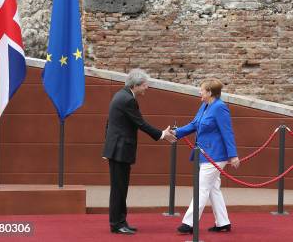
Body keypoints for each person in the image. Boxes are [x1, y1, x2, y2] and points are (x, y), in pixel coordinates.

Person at [102, 68, 176, 235]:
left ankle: (120, 222)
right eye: (144, 85)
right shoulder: (128, 100)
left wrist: (108, 148)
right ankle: (117, 224)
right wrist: (162, 134)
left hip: (116, 149)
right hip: (120, 151)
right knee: (119, 189)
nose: (147, 88)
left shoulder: (120, 95)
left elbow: (110, 123)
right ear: (135, 85)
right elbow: (140, 123)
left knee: (119, 188)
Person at [172, 78, 239, 234]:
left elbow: (227, 132)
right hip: (205, 154)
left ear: (210, 92)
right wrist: (176, 133)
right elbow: (194, 124)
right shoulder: (205, 105)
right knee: (213, 188)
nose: (199, 92)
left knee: (202, 188)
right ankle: (223, 223)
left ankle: (189, 223)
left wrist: (233, 155)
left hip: (215, 156)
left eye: (201, 90)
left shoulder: (220, 107)